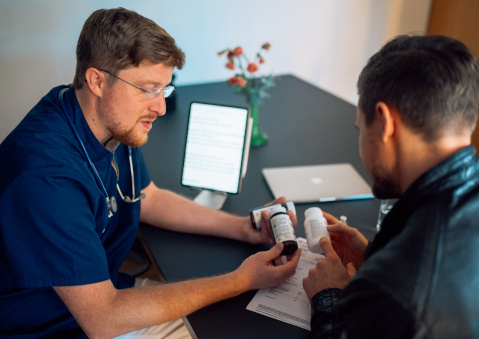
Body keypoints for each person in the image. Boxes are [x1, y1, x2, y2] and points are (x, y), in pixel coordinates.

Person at [0, 7, 301, 338]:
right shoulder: (46, 178)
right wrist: (241, 279)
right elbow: (103, 318)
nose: (159, 107)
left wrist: (243, 229)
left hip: (100, 290)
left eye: (164, 89)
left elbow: (148, 197)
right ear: (96, 80)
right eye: (148, 89)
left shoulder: (103, 117)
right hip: (55, 324)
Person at [303, 35, 479, 338]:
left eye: (361, 129)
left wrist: (329, 297)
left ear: (385, 123)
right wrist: (375, 255)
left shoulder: (394, 291)